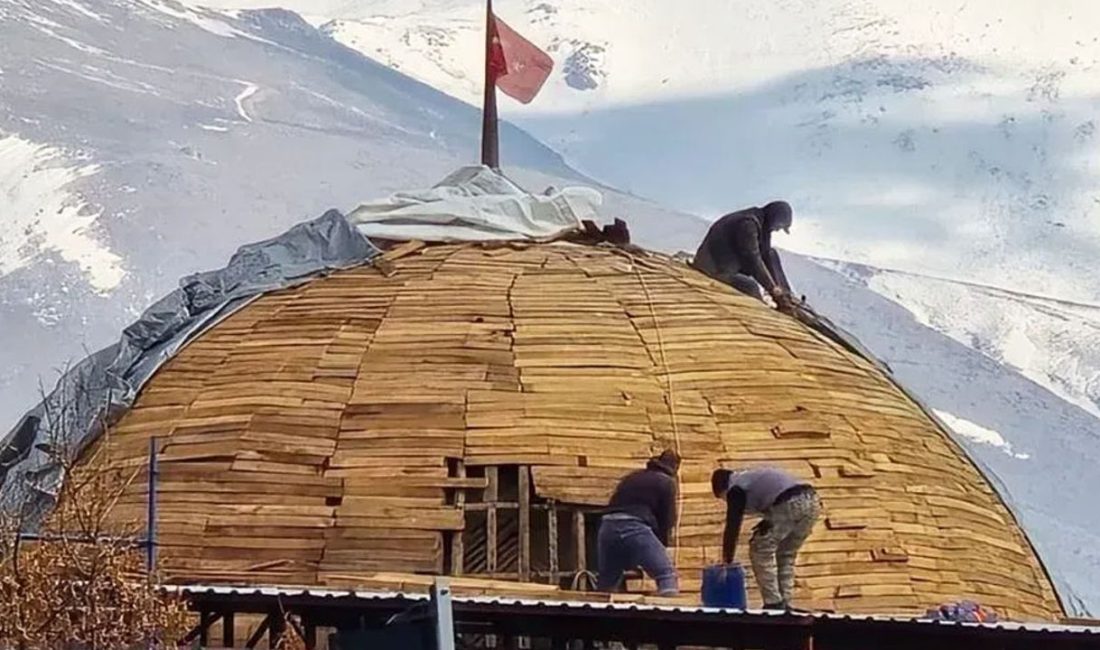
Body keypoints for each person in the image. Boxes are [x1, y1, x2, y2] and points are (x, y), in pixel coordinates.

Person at [711, 466, 821, 610]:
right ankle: (785, 601)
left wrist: (727, 560)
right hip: (812, 502)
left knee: (760, 549)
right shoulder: (748, 478)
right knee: (786, 554)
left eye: (722, 498)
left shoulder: (735, 488)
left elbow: (733, 526)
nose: (726, 502)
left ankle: (773, 602)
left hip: (790, 503)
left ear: (722, 490)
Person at [597, 450, 681, 596]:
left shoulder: (632, 476)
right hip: (634, 526)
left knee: (607, 581)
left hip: (607, 526)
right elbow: (667, 518)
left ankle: (595, 616)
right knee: (666, 574)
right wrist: (662, 544)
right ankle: (671, 617)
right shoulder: (667, 482)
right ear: (675, 468)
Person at [692, 201, 796, 312]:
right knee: (751, 288)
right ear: (774, 218)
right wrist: (773, 289)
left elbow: (766, 255)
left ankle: (787, 297)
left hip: (725, 264)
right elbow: (752, 260)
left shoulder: (760, 224)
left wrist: (782, 293)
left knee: (772, 254)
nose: (777, 229)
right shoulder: (748, 224)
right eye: (779, 226)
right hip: (712, 268)